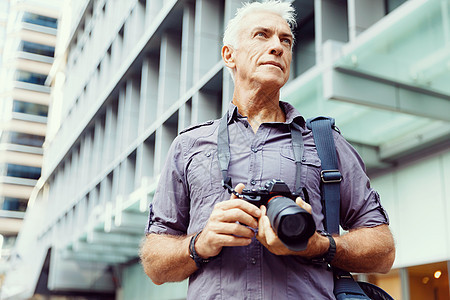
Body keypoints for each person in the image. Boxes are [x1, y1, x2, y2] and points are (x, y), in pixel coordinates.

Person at [140, 1, 395, 299]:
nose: (277, 46)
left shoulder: (326, 141)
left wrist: (317, 244)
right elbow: (154, 264)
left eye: (285, 40)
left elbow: (383, 250)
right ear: (229, 55)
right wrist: (200, 243)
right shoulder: (188, 146)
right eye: (262, 35)